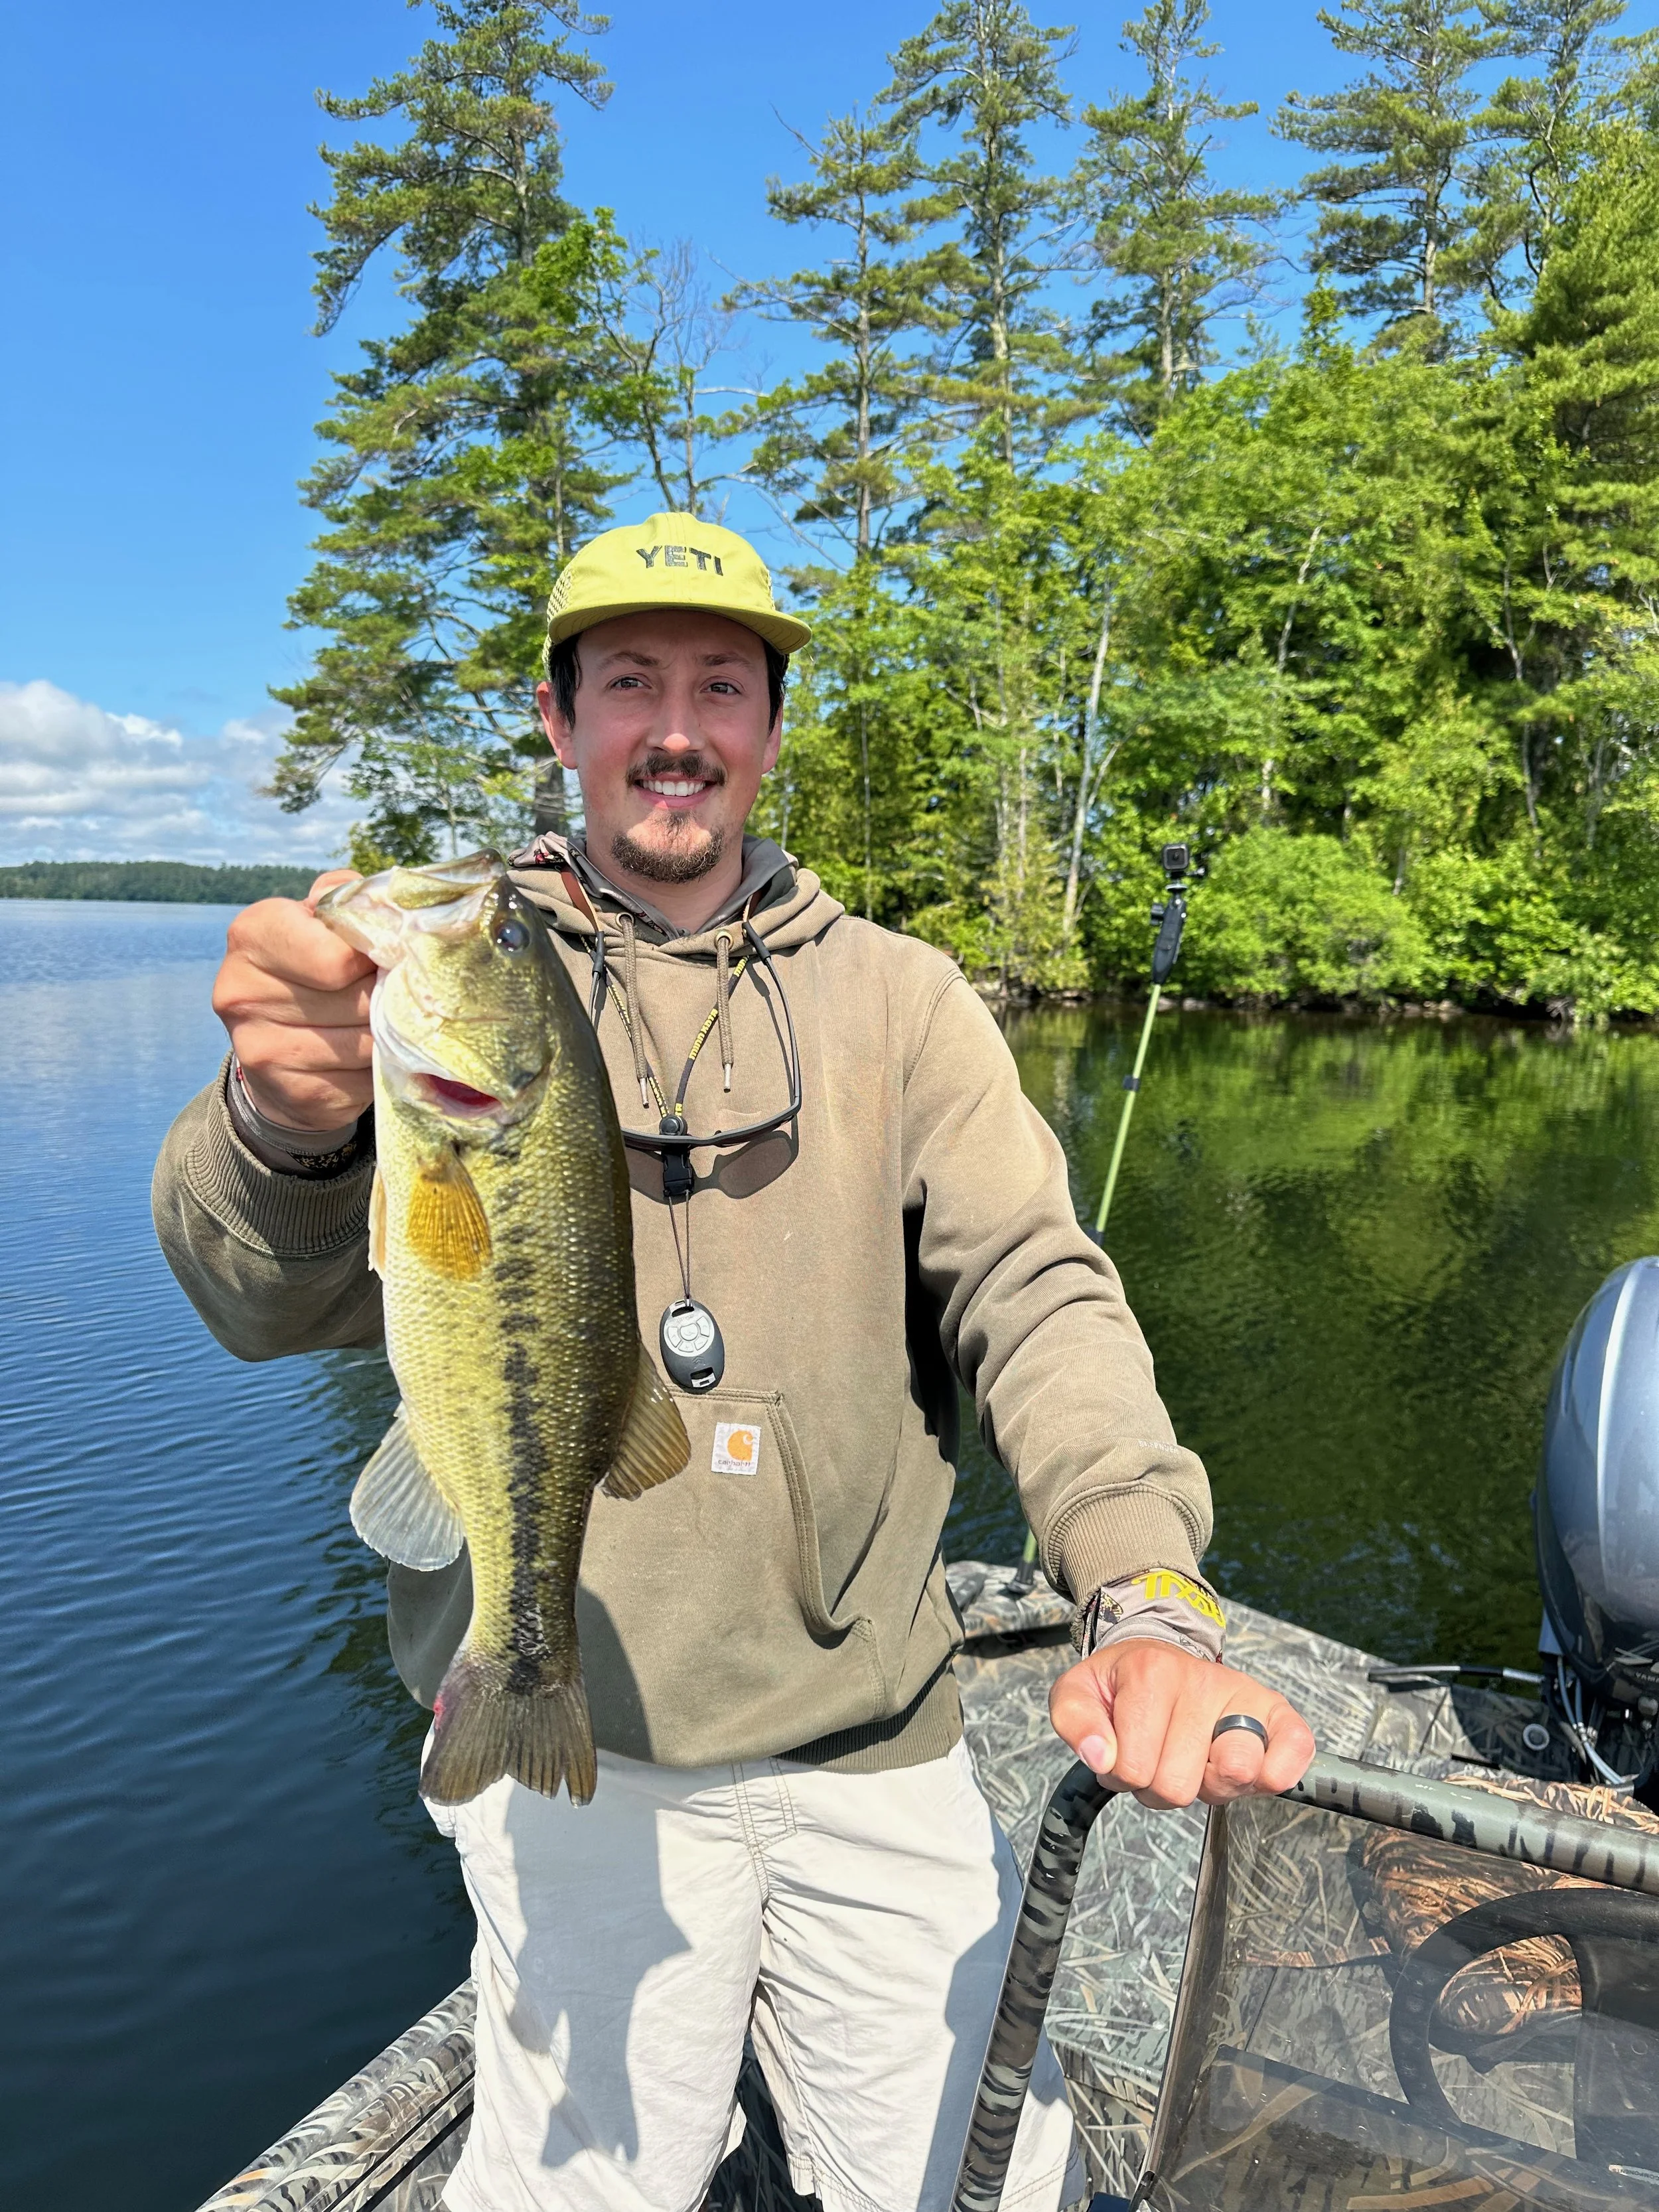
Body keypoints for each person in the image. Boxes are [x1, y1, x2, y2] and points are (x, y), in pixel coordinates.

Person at [154, 512, 1314, 2212]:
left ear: (770, 726)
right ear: (560, 722)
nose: (676, 725)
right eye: (629, 681)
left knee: (983, 2184)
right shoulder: (466, 987)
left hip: (875, 1736)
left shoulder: (906, 1003)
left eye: (720, 682)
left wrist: (1140, 1583)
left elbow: (1036, 1290)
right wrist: (284, 1119)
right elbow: (254, 1296)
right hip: (575, 1741)